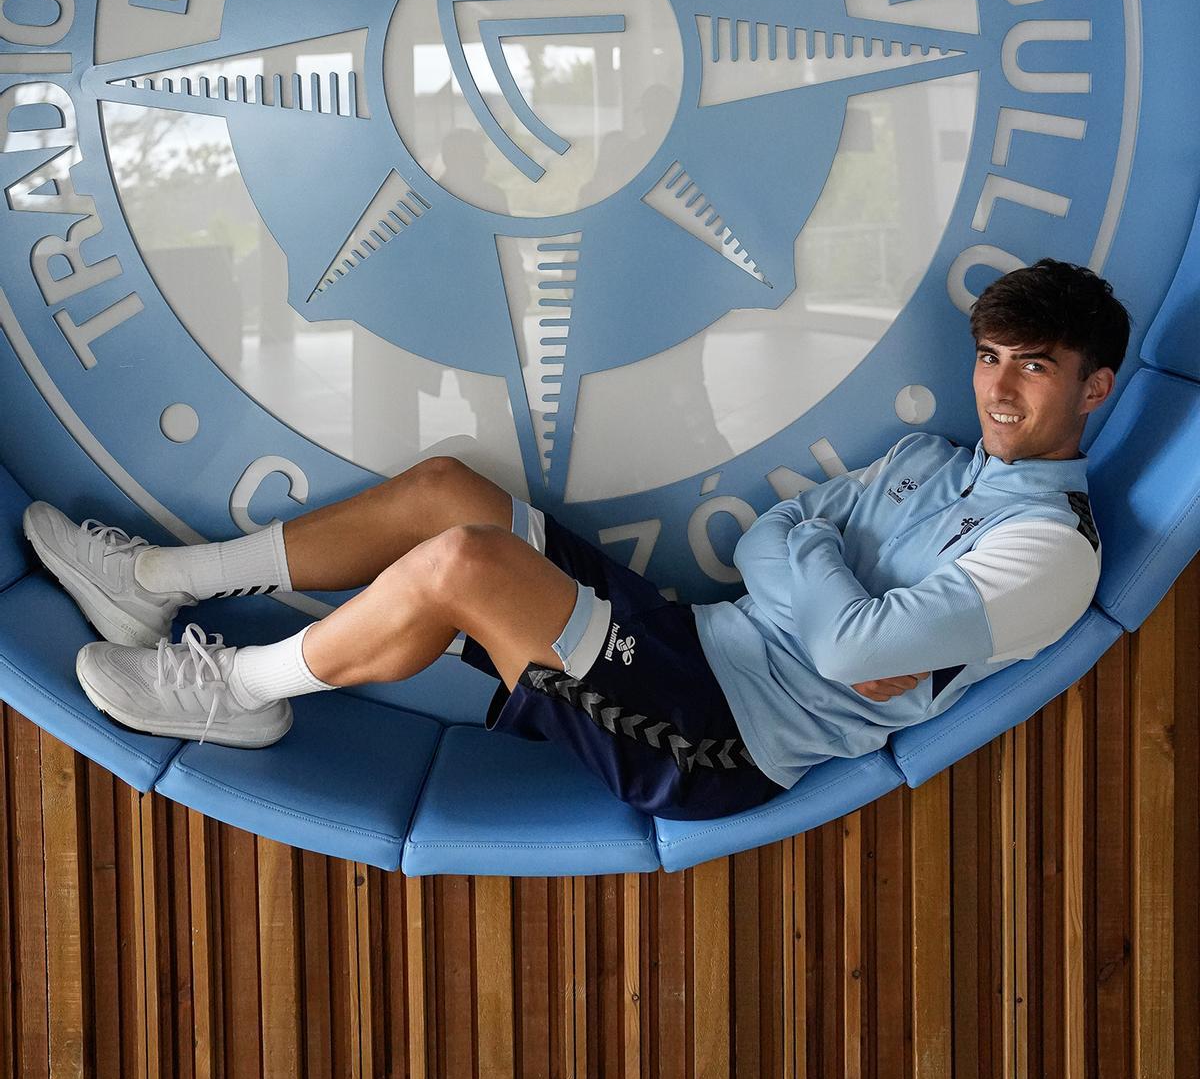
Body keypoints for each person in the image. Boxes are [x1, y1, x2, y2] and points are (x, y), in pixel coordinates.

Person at [22, 258, 1129, 822]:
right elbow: (779, 543)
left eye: (1035, 365)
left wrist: (815, 582)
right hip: (698, 639)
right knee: (448, 494)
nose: (1000, 384)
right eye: (992, 354)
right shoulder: (935, 460)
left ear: (1094, 389)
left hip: (722, 739)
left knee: (468, 567)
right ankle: (154, 583)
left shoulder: (1050, 552)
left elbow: (839, 647)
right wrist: (825, 588)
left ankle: (243, 690)